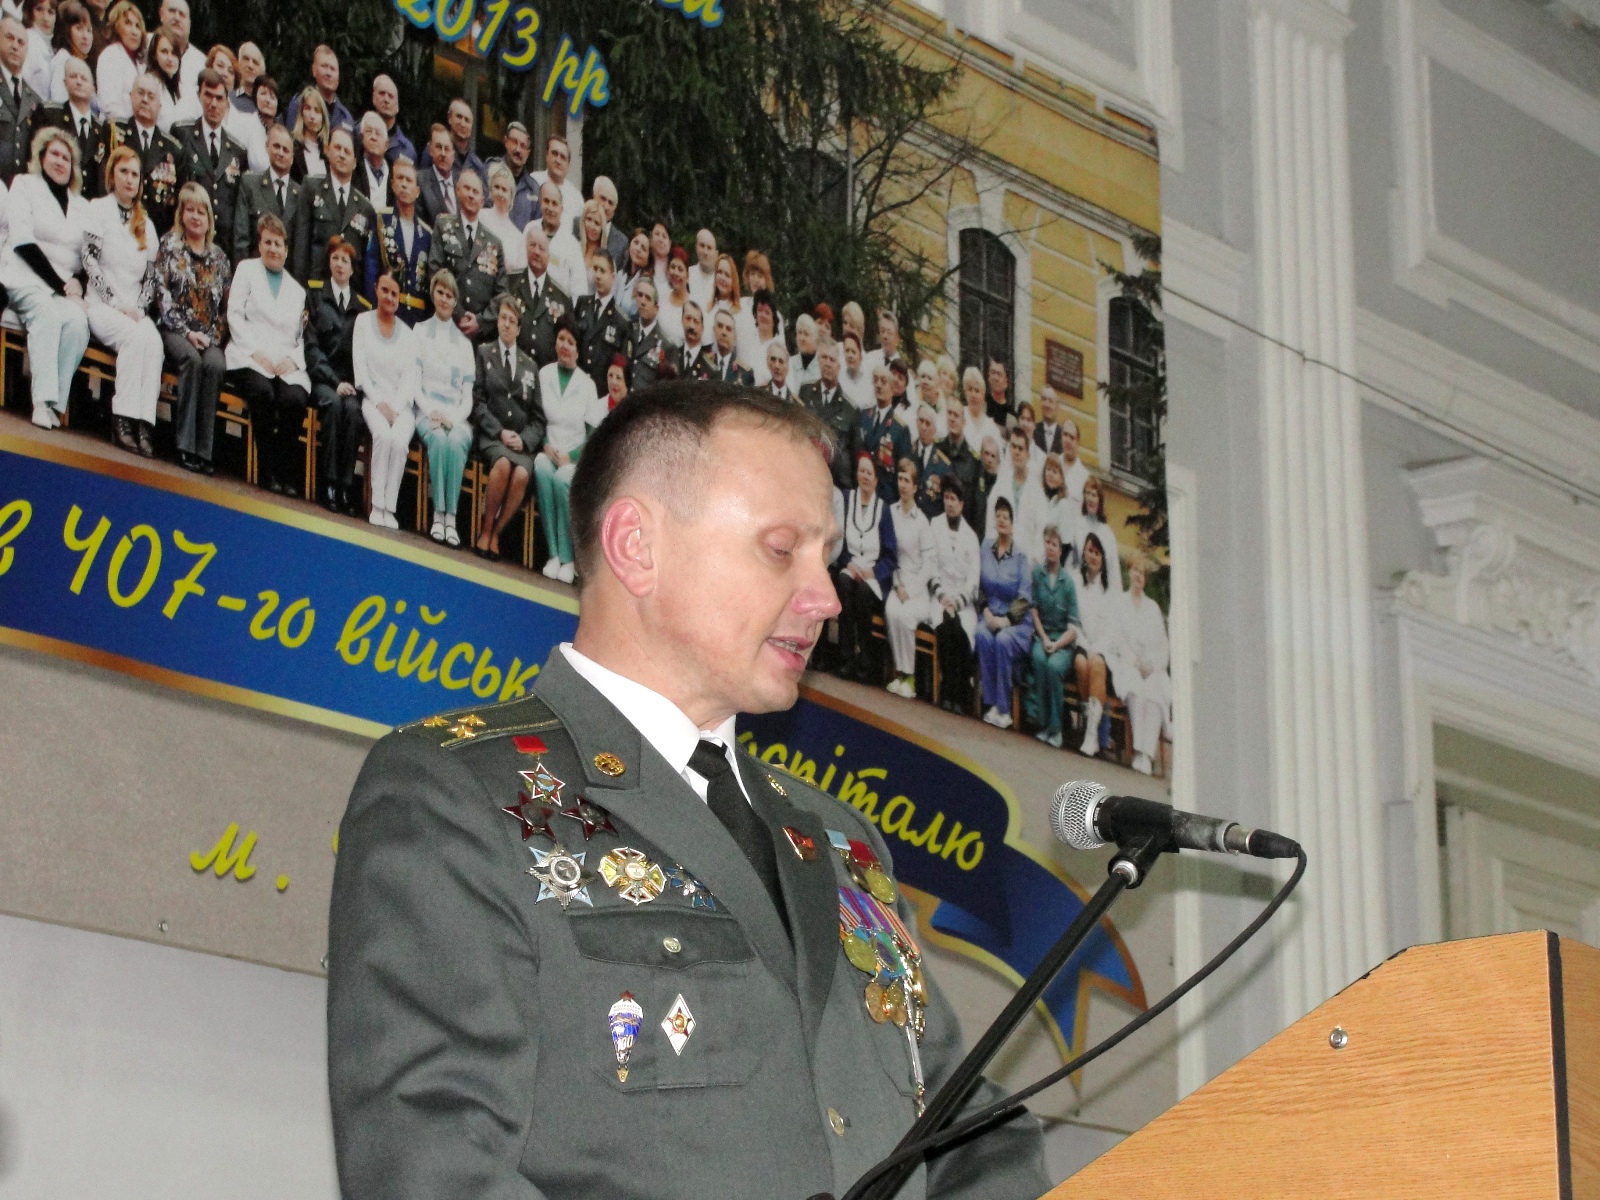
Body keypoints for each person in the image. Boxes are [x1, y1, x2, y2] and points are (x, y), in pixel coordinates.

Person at [327, 380, 1051, 1200]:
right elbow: (435, 1168)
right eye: (781, 549)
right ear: (637, 545)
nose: (825, 598)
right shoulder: (456, 795)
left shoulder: (842, 839)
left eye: (824, 558)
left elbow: (967, 1124)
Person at [84, 143, 163, 455]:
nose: (130, 179)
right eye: (124, 172)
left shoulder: (146, 223)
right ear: (111, 176)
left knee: (153, 341)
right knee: (133, 337)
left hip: (134, 309)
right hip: (102, 305)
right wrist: (116, 303)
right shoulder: (98, 209)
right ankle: (123, 418)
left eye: (135, 174)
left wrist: (139, 307)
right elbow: (89, 260)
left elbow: (150, 276)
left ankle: (145, 424)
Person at [225, 213, 311, 495]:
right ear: (260, 244)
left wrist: (293, 361)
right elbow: (234, 315)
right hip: (249, 355)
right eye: (268, 242)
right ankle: (267, 468)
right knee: (263, 393)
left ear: (286, 250)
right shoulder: (246, 270)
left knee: (294, 399)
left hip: (284, 362)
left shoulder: (297, 291)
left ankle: (285, 470)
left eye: (278, 244)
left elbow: (300, 336)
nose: (273, 249)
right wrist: (254, 352)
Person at [5, 123, 83, 430]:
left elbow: (84, 256)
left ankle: (55, 404)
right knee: (47, 314)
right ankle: (40, 400)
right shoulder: (24, 185)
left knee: (78, 323)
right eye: (54, 154)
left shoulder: (80, 203)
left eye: (66, 158)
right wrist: (61, 285)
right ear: (41, 156)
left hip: (60, 287)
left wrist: (77, 282)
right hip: (24, 278)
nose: (60, 162)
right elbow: (23, 242)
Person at [155, 180, 227, 474]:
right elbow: (161, 294)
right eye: (190, 210)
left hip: (208, 336)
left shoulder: (220, 257)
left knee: (215, 365)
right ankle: (185, 445)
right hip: (175, 329)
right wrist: (187, 333)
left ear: (209, 218)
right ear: (181, 214)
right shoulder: (169, 246)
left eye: (201, 212)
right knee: (191, 360)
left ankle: (204, 450)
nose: (196, 217)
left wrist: (211, 337)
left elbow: (225, 309)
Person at [470, 291, 543, 560]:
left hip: (520, 443)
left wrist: (524, 440)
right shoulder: (484, 352)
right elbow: (477, 401)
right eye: (503, 318)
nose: (506, 324)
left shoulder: (530, 366)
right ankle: (486, 530)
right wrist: (498, 431)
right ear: (497, 320)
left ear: (519, 328)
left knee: (522, 474)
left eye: (512, 321)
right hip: (493, 437)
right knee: (502, 465)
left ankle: (497, 533)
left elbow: (538, 418)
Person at [533, 315, 602, 583]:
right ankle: (553, 554)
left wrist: (570, 457)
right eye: (561, 339)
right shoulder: (544, 374)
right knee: (540, 466)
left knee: (562, 478)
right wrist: (544, 443)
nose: (564, 345)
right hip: (549, 450)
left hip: (574, 459)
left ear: (578, 350)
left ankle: (568, 558)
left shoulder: (587, 385)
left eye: (570, 342)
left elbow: (593, 436)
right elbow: (537, 418)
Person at [409, 268, 475, 546]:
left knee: (456, 441)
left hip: (456, 415)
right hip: (427, 410)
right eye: (440, 293)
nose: (445, 299)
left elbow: (467, 397)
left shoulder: (465, 345)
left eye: (449, 295)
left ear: (455, 300)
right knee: (438, 440)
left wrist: (453, 418)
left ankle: (452, 517)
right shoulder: (420, 332)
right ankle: (438, 514)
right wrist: (431, 412)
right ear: (433, 294)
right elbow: (414, 384)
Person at [306, 235, 369, 515]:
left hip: (351, 383)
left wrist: (352, 384)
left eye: (345, 260)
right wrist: (334, 381)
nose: (340, 264)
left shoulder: (362, 308)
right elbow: (311, 348)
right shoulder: (315, 296)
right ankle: (328, 484)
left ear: (353, 269)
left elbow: (364, 355)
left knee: (354, 412)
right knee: (332, 406)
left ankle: (345, 486)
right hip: (324, 379)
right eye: (335, 258)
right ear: (329, 262)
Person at [353, 269, 414, 529]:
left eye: (394, 293)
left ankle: (390, 507)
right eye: (385, 290)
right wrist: (380, 403)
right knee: (382, 436)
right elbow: (361, 370)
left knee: (399, 442)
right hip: (373, 400)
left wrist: (396, 409)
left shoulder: (408, 334)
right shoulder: (362, 322)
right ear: (376, 289)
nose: (389, 297)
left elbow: (410, 378)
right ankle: (377, 505)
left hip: (401, 407)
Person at [830, 450, 896, 683]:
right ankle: (846, 658)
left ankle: (866, 661)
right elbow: (839, 539)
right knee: (844, 583)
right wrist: (847, 562)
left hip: (872, 574)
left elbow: (891, 556)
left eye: (869, 473)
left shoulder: (883, 510)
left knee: (864, 593)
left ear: (876, 479)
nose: (865, 476)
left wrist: (874, 572)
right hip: (850, 565)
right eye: (862, 471)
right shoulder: (848, 500)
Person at [290, 125, 374, 292]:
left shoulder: (365, 207)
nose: (341, 154)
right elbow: (301, 246)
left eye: (347, 151)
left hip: (348, 295)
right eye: (337, 148)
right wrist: (300, 291)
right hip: (315, 289)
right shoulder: (311, 188)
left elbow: (363, 263)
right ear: (327, 151)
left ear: (354, 162)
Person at [173, 68, 246, 255]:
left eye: (219, 98)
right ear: (199, 95)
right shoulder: (183, 135)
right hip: (188, 240)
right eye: (208, 95)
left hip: (222, 247)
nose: (213, 104)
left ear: (227, 103)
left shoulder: (237, 151)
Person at [1107, 554, 1168, 774]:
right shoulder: (1120, 603)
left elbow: (1163, 646)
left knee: (1154, 693)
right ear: (1129, 573)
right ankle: (1138, 748)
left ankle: (1146, 755)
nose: (1138, 576)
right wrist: (1135, 662)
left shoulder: (1153, 608)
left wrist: (1150, 665)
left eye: (1142, 573)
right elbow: (1117, 639)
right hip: (1128, 664)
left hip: (1150, 667)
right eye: (1135, 571)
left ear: (1146, 578)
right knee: (1135, 688)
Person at [974, 496, 1031, 729]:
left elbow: (1024, 598)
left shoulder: (1021, 557)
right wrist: (986, 612)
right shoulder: (985, 548)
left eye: (1006, 517)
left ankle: (1004, 708)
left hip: (1015, 623)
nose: (1001, 520)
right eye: (998, 516)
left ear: (1012, 523)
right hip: (990, 614)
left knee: (1003, 640)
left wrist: (1006, 620)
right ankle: (990, 704)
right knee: (982, 634)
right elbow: (978, 584)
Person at [429, 167, 504, 342]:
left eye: (475, 191)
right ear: (457, 191)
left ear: (482, 200)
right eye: (467, 189)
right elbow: (434, 271)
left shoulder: (494, 243)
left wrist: (480, 321)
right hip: (446, 324)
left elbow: (502, 293)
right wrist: (459, 314)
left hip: (480, 337)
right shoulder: (443, 226)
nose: (470, 195)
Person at [928, 475, 981, 713]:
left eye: (954, 499)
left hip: (962, 602)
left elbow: (973, 581)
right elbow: (930, 566)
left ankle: (958, 693)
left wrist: (956, 604)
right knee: (946, 625)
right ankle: (949, 691)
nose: (949, 503)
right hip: (939, 597)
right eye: (946, 498)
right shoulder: (935, 525)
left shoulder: (971, 537)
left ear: (961, 504)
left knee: (959, 629)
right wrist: (942, 597)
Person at [884, 456, 932, 699]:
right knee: (891, 611)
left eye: (907, 481)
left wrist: (910, 590)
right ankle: (900, 673)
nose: (902, 485)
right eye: (900, 479)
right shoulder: (890, 513)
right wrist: (897, 584)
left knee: (905, 616)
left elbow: (929, 565)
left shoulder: (922, 522)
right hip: (898, 582)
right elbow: (890, 554)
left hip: (918, 590)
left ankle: (910, 678)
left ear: (915, 487)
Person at [1027, 525, 1080, 748]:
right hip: (1042, 636)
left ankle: (1056, 729)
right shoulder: (1037, 574)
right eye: (1047, 543)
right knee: (1039, 660)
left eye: (1055, 544)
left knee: (1054, 666)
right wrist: (1044, 638)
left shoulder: (1068, 583)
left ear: (1061, 550)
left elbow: (1074, 627)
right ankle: (1042, 724)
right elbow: (1033, 611)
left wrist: (1057, 644)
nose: (1050, 547)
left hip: (1063, 642)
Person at [365, 154, 430, 324]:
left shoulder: (426, 233)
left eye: (409, 180)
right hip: (385, 311)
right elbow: (371, 269)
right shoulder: (381, 220)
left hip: (416, 318)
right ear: (393, 185)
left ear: (417, 191)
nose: (404, 184)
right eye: (400, 178)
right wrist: (373, 309)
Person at [1073, 531, 1117, 759]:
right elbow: (1073, 619)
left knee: (1096, 664)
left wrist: (1095, 649)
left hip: (1102, 649)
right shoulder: (1075, 580)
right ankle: (1085, 723)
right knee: (1081, 664)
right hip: (1080, 642)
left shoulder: (1110, 591)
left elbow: (1111, 629)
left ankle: (1091, 735)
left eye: (1097, 553)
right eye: (1090, 551)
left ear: (1103, 559)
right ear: (1084, 553)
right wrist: (1083, 644)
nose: (1093, 556)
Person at [120, 71, 178, 235]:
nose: (145, 100)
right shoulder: (115, 133)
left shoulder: (173, 148)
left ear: (159, 106)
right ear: (131, 96)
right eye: (140, 93)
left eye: (151, 96)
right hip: (120, 225)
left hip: (157, 231)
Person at [798, 337, 857, 496]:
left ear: (839, 366)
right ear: (818, 361)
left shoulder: (850, 409)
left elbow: (851, 459)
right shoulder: (805, 392)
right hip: (804, 474)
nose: (828, 363)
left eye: (832, 359)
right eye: (824, 358)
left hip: (832, 483)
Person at [232, 121, 297, 263]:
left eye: (285, 150)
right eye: (276, 146)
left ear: (292, 157)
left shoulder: (300, 194)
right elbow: (241, 238)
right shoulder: (250, 184)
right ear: (267, 146)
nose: (280, 153)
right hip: (255, 269)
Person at [505, 222, 569, 366]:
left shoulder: (562, 297)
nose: (536, 252)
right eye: (532, 245)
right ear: (526, 248)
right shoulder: (510, 282)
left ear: (549, 256)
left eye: (541, 248)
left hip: (544, 371)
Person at [41, 55, 102, 198]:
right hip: (55, 197)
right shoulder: (51, 116)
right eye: (73, 76)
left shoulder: (101, 130)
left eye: (84, 78)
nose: (78, 81)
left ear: (93, 88)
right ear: (65, 82)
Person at [576, 249, 629, 394]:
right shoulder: (582, 304)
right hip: (577, 385)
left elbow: (620, 365)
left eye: (602, 271)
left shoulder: (621, 321)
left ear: (613, 277)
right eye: (595, 269)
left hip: (601, 391)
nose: (598, 275)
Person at [859, 363, 909, 503]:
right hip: (861, 490)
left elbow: (903, 470)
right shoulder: (863, 416)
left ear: (892, 389)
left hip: (884, 496)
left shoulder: (900, 429)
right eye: (875, 380)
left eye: (883, 381)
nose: (878, 385)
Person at [0, 14, 42, 182]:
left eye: (21, 42)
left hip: (20, 188)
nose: (15, 46)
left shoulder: (34, 100)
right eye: (9, 38)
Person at [985, 427, 1038, 555]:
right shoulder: (1001, 484)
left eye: (1020, 448)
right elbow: (990, 523)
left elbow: (1040, 531)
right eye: (1013, 447)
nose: (1016, 452)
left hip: (1025, 557)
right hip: (999, 556)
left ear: (1028, 454)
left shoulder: (1036, 490)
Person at [284, 43, 352, 134]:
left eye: (333, 69)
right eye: (324, 66)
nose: (328, 73)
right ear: (314, 70)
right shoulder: (299, 104)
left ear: (338, 76)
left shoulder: (345, 118)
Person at [92, 1, 139, 119]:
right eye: (128, 23)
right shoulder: (111, 55)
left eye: (138, 26)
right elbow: (110, 106)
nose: (134, 31)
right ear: (116, 26)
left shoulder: (139, 61)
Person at [536, 177, 582, 300]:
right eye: (546, 201)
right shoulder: (530, 229)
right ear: (540, 202)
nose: (550, 208)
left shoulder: (572, 245)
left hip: (557, 306)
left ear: (561, 209)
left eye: (555, 203)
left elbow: (579, 290)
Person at [1077, 474, 1121, 591]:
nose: (1090, 499)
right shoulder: (1076, 525)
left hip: (1099, 591)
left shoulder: (1107, 534)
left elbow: (1114, 572)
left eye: (1094, 495)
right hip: (1078, 586)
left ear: (1100, 500)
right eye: (1088, 493)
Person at [147, 0, 199, 100]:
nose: (177, 18)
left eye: (182, 14)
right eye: (172, 11)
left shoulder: (200, 61)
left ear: (189, 23)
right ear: (161, 13)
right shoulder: (143, 42)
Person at [487, 118, 534, 227]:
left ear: (528, 152)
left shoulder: (533, 188)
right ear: (506, 142)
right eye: (514, 142)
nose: (518, 150)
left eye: (523, 146)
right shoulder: (489, 172)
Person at [480, 161, 524, 274]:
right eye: (497, 187)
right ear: (490, 191)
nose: (500, 193)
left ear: (511, 196)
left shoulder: (518, 236)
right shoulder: (480, 217)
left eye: (504, 190)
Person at [530, 131, 580, 230]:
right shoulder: (533, 181)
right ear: (546, 155)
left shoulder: (576, 198)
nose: (558, 160)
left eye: (563, 157)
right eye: (554, 154)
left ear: (568, 164)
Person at [908, 401, 950, 518]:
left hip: (929, 520)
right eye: (921, 421)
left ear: (935, 429)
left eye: (928, 423)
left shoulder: (943, 464)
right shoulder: (908, 451)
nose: (923, 427)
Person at [626, 275, 668, 390]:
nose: (642, 302)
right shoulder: (627, 330)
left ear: (656, 308)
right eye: (640, 295)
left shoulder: (666, 345)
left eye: (648, 298)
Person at [937, 403, 978, 518]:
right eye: (949, 413)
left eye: (956, 415)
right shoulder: (936, 450)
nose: (952, 418)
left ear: (964, 422)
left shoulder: (973, 460)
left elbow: (976, 504)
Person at [1032, 454, 1073, 567]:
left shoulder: (1063, 505)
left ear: (1062, 478)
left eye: (1055, 472)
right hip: (1033, 560)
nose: (1050, 474)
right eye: (1048, 469)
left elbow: (1066, 544)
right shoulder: (1038, 498)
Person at [45, 0, 88, 103]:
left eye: (88, 30)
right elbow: (59, 100)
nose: (85, 36)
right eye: (79, 28)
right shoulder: (63, 60)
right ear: (66, 30)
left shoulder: (75, 60)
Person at [368, 73, 412, 166]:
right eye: (382, 93)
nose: (386, 100)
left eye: (390, 96)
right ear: (373, 98)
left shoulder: (407, 150)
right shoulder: (359, 133)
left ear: (397, 106)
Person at [416, 123, 454, 224]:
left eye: (447, 149)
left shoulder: (461, 183)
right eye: (438, 147)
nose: (443, 153)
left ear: (453, 154)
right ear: (430, 150)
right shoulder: (419, 181)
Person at [586, 175, 627, 269]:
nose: (606, 206)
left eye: (610, 203)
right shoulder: (576, 224)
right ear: (593, 197)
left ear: (614, 210)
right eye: (603, 199)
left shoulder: (621, 242)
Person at [289, 85, 328, 182]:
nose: (312, 116)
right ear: (301, 112)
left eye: (317, 110)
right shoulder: (292, 145)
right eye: (308, 108)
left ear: (323, 117)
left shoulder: (328, 148)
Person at [17, 0, 50, 114]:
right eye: (39, 9)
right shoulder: (28, 39)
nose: (45, 18)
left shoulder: (47, 44)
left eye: (50, 12)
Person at [444, 96, 485, 186]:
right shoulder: (437, 153)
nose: (462, 124)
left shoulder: (477, 166)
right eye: (459, 117)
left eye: (467, 120)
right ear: (449, 118)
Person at [746, 289, 783, 386]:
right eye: (759, 310)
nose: (762, 315)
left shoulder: (779, 347)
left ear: (774, 319)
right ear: (755, 315)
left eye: (767, 312)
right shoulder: (748, 340)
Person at [960, 365, 999, 458]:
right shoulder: (959, 415)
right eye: (970, 389)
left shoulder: (991, 426)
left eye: (977, 391)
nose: (973, 395)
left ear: (983, 395)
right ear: (965, 392)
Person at [354, 110, 389, 212]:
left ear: (386, 144)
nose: (373, 137)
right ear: (361, 137)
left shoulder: (394, 173)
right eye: (369, 131)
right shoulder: (354, 169)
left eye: (378, 133)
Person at [614, 228, 648, 320]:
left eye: (643, 248)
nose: (638, 249)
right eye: (636, 243)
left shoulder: (645, 285)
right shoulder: (620, 274)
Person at [657, 242, 688, 346]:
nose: (675, 272)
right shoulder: (661, 296)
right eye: (673, 267)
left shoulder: (692, 306)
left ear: (687, 276)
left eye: (680, 269)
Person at [970, 435, 999, 542]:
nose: (989, 459)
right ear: (981, 454)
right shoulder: (973, 479)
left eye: (993, 456)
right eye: (986, 454)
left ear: (998, 460)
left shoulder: (1000, 485)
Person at [1057, 416, 1089, 505]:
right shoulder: (1052, 464)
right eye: (1065, 435)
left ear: (1078, 442)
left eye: (1072, 437)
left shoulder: (1084, 477)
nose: (1068, 440)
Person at [674, 298, 709, 378]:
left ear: (702, 328)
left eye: (696, 321)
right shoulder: (671, 357)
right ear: (682, 320)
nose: (691, 326)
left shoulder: (711, 370)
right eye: (688, 319)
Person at [838, 328, 871, 411]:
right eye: (847, 351)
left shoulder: (869, 381)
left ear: (861, 356)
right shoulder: (838, 378)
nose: (850, 355)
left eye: (853, 352)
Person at [689, 226, 718, 311]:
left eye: (709, 248)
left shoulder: (721, 280)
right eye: (702, 246)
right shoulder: (688, 275)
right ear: (696, 248)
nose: (705, 252)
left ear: (716, 253)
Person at [791, 313, 819, 390]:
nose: (801, 338)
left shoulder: (821, 366)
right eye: (799, 333)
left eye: (806, 334)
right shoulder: (789, 364)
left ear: (815, 339)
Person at [1034, 385, 1064, 456]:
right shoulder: (1033, 430)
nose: (1047, 405)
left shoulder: (1063, 436)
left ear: (1057, 407)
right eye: (1044, 399)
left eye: (1051, 401)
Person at [232, 41, 262, 111]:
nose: (250, 65)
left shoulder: (265, 106)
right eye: (246, 59)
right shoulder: (227, 98)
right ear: (238, 63)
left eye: (255, 62)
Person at [985, 357, 1012, 427]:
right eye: (993, 373)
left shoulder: (1010, 414)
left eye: (999, 374)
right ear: (988, 377)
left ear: (1007, 381)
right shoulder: (981, 403)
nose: (995, 378)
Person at [647, 217, 670, 293]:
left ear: (669, 243)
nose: (660, 239)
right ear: (650, 238)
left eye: (664, 236)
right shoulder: (644, 264)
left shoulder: (674, 269)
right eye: (657, 234)